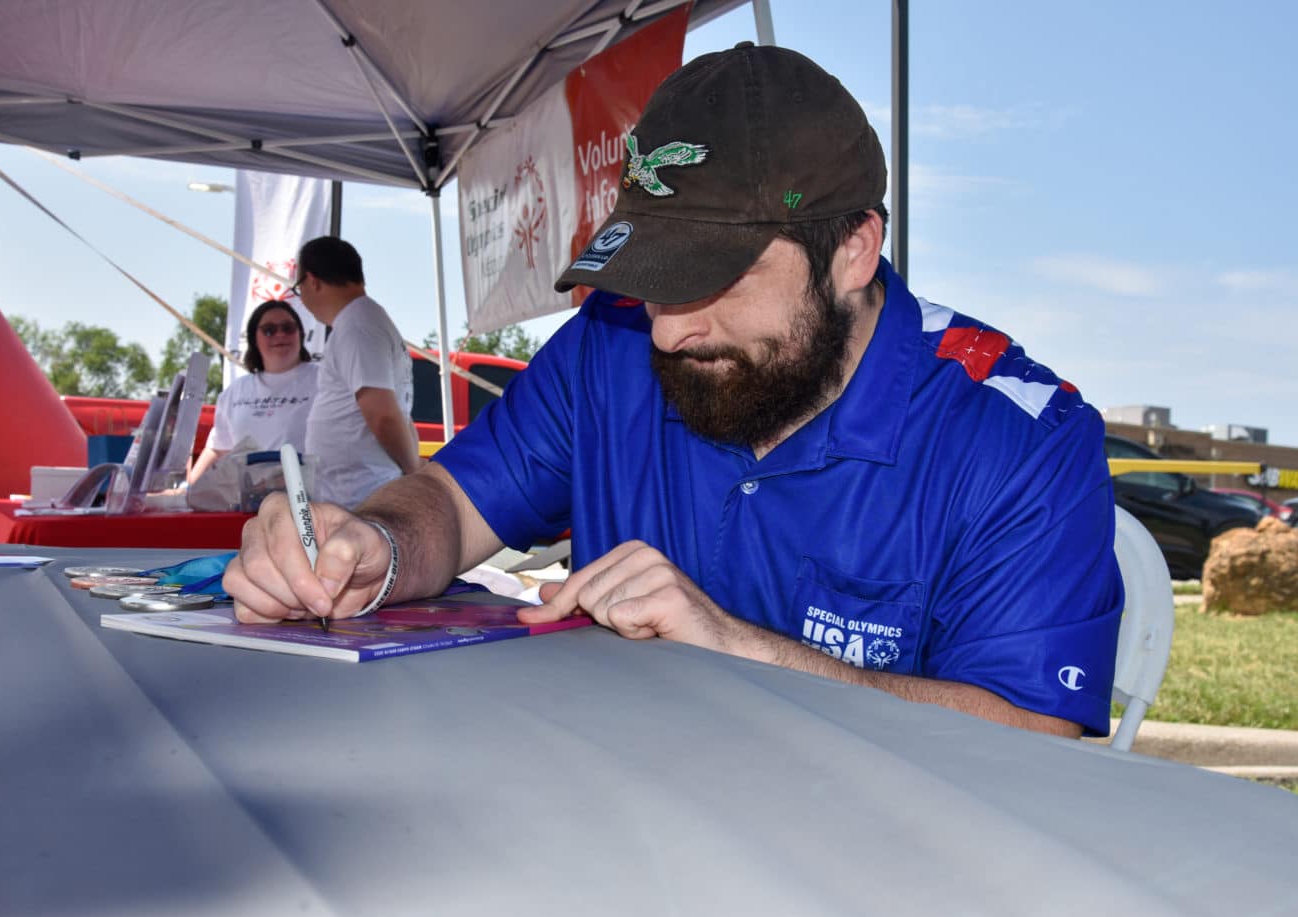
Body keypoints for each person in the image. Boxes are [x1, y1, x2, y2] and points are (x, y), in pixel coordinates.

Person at [225, 45, 1123, 739]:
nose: (664, 329)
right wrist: (374, 544)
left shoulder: (1018, 439)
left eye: (712, 278)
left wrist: (744, 651)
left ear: (853, 247)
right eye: (654, 275)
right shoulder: (607, 348)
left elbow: (1033, 734)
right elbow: (452, 506)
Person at [293, 236, 420, 507]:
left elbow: (383, 414)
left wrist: (414, 475)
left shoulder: (357, 326)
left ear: (312, 281)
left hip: (361, 495)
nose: (301, 296)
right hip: (360, 493)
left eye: (298, 287)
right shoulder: (363, 320)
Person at [187, 299, 317, 485]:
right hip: (246, 501)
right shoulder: (234, 392)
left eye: (288, 328)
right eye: (269, 330)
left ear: (300, 333)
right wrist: (188, 489)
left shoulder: (326, 381)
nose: (280, 335)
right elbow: (218, 448)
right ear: (253, 339)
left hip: (307, 499)